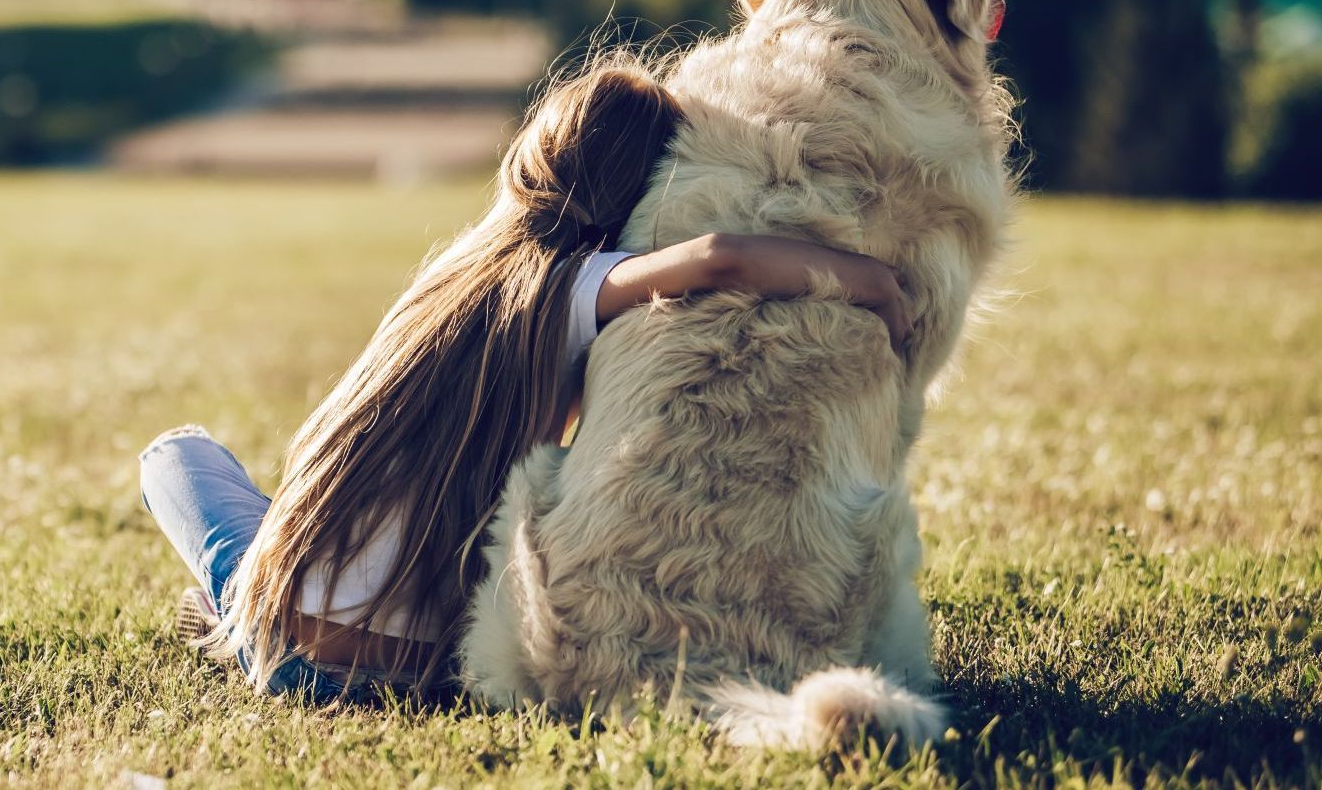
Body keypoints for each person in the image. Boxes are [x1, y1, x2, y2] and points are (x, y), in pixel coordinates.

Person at [137, 55, 910, 701]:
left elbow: (717, 257)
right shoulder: (577, 288)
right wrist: (871, 281)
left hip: (293, 652)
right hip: (424, 667)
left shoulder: (456, 278)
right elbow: (718, 256)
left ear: (537, 149)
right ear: (639, 185)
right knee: (287, 530)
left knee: (176, 455)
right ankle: (235, 603)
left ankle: (233, 609)